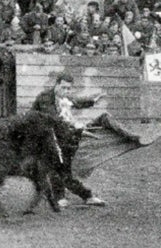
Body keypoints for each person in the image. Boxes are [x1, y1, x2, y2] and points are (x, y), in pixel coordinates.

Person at [31, 72, 107, 208]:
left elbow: (76, 102)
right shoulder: (45, 98)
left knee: (63, 167)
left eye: (68, 88)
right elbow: (54, 119)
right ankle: (66, 197)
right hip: (41, 136)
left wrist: (94, 101)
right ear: (56, 85)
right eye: (64, 87)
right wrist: (75, 126)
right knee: (57, 166)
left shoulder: (62, 96)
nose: (66, 91)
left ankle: (83, 196)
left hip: (58, 134)